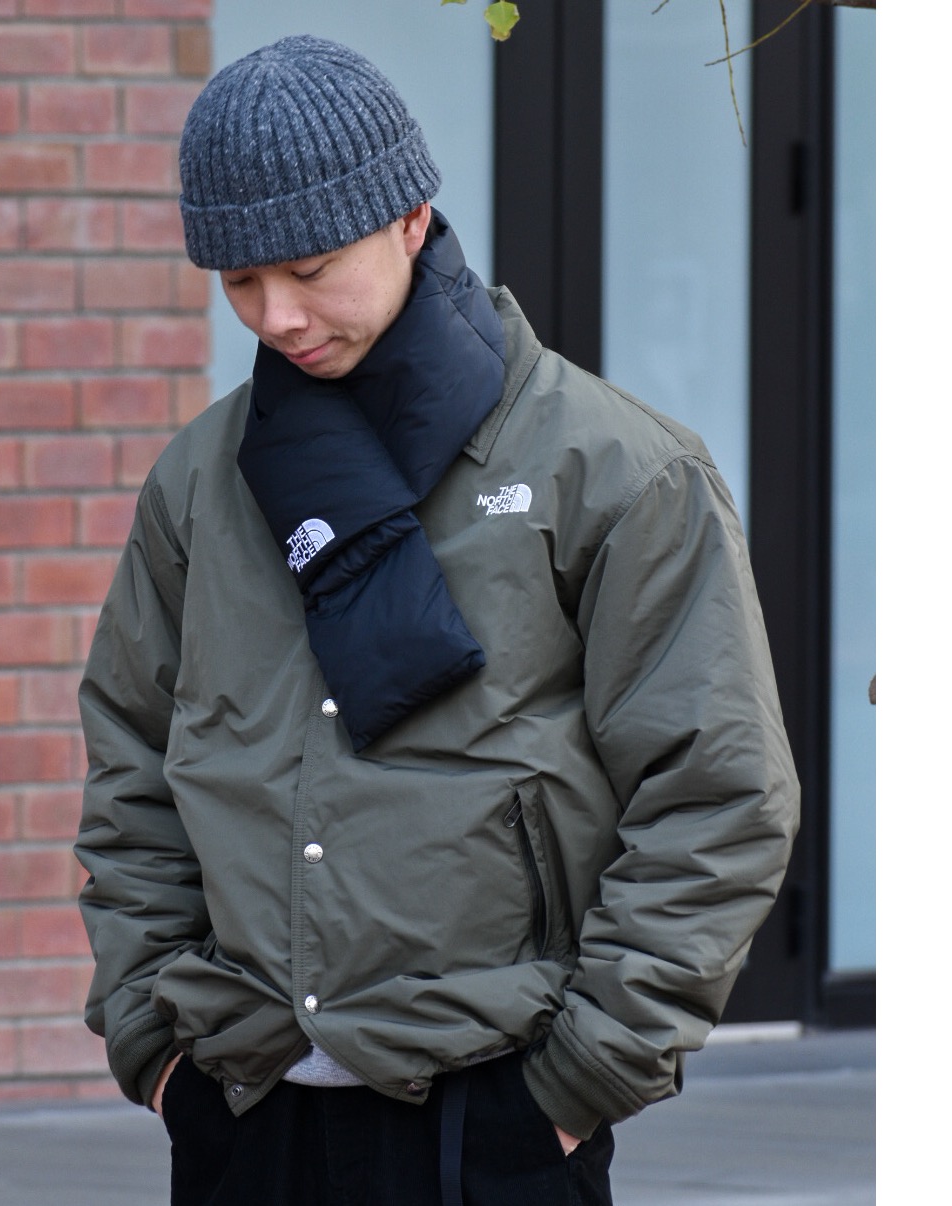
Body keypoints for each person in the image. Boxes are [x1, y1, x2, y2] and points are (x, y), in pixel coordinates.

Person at [75, 35, 800, 1206]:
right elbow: (133, 764)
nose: (277, 315)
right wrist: (155, 1043)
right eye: (240, 281)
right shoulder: (201, 482)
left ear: (411, 218)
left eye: (310, 268)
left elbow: (717, 794)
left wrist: (579, 1081)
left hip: (493, 1113)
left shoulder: (614, 470)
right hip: (243, 1109)